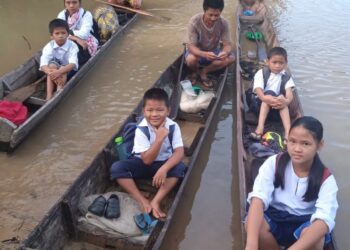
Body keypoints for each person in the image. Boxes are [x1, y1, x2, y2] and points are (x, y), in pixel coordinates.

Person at [245, 116, 338, 250]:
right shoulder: (273, 163)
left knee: (317, 239)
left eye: (305, 143)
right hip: (275, 217)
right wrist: (251, 245)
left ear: (319, 145)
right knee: (251, 224)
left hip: (303, 224)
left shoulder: (326, 179)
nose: (297, 149)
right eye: (292, 141)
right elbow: (258, 198)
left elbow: (324, 220)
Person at [110, 88, 186, 219]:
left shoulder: (173, 126)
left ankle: (156, 201)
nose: (154, 114)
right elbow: (147, 160)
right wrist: (159, 139)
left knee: (180, 168)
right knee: (117, 168)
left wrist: (164, 169)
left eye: (160, 110)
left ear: (168, 111)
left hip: (162, 163)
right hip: (143, 162)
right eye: (150, 110)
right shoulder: (141, 129)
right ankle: (142, 199)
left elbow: (179, 152)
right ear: (143, 111)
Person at [184, 0, 235, 89]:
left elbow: (227, 45)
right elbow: (191, 46)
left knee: (231, 58)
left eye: (216, 15)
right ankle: (195, 72)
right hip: (198, 53)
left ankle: (204, 72)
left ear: (220, 12)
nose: (213, 18)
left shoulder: (224, 23)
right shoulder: (194, 21)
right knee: (191, 59)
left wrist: (224, 52)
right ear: (204, 11)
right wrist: (204, 54)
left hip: (214, 51)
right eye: (210, 15)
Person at [249, 47, 295, 142]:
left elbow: (289, 94)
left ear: (285, 63)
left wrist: (285, 101)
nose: (277, 66)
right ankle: (260, 127)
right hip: (258, 105)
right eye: (274, 63)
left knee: (282, 100)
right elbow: (259, 91)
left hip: (276, 108)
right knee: (269, 94)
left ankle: (287, 132)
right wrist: (266, 98)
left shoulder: (286, 77)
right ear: (267, 62)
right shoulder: (261, 73)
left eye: (281, 63)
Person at [40, 19, 79, 100]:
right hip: (54, 70)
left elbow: (72, 64)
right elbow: (43, 65)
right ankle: (49, 95)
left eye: (63, 33)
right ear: (51, 36)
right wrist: (53, 74)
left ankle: (58, 91)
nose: (60, 36)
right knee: (51, 66)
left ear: (68, 34)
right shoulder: (49, 46)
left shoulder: (73, 46)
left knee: (62, 69)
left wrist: (59, 72)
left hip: (68, 69)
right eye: (57, 33)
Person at [58, 0, 99, 66]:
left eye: (74, 2)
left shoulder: (86, 14)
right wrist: (76, 38)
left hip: (87, 40)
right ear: (64, 4)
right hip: (69, 39)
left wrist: (67, 33)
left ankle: (69, 68)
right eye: (68, 3)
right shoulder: (62, 15)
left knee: (75, 50)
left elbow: (84, 34)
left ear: (79, 4)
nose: (71, 5)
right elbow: (58, 33)